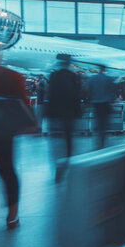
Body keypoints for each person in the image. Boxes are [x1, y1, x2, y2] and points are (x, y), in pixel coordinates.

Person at [0, 44, 26, 229]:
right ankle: (12, 216)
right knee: (8, 172)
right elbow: (23, 103)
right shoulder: (12, 76)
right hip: (3, 132)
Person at [47, 54, 82, 182]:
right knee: (69, 137)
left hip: (56, 113)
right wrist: (78, 112)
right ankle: (69, 159)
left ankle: (57, 163)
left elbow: (50, 95)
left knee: (56, 139)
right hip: (69, 113)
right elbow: (76, 96)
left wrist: (49, 112)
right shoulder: (74, 77)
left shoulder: (54, 76)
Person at [86, 65, 116, 148]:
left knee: (98, 119)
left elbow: (89, 90)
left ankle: (98, 134)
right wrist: (112, 99)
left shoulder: (92, 78)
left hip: (96, 103)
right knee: (105, 119)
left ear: (99, 70)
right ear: (104, 70)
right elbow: (112, 91)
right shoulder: (109, 79)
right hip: (106, 102)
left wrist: (88, 100)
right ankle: (103, 135)